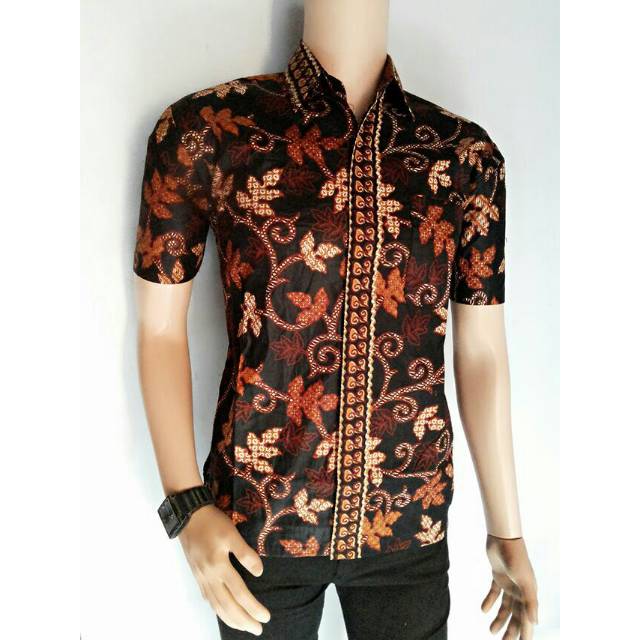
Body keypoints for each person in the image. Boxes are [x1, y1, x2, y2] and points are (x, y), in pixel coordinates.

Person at [133, 1, 538, 638]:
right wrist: (187, 505)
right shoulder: (208, 133)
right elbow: (159, 330)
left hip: (408, 524)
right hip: (257, 523)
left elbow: (482, 350)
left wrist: (506, 529)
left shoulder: (464, 159)